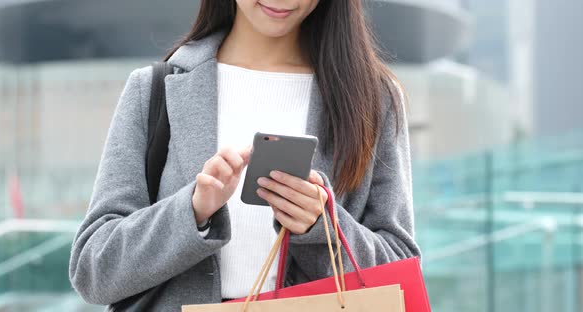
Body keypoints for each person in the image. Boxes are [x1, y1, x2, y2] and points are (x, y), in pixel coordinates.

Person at [69, 0, 421, 310]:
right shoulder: (155, 88)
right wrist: (192, 212)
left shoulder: (374, 100)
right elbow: (93, 270)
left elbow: (400, 267)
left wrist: (322, 227)